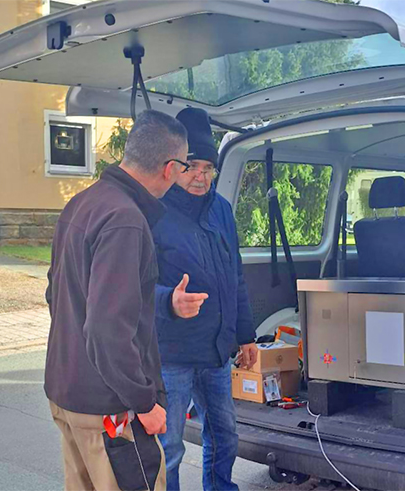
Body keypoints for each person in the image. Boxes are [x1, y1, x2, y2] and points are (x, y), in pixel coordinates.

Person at [45, 110, 207, 491]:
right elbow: (106, 330)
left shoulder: (81, 204)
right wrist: (145, 404)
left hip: (68, 396)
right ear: (170, 168)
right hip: (112, 410)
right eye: (185, 166)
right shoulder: (126, 221)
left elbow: (56, 294)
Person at [152, 108, 258, 491]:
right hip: (172, 356)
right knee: (170, 447)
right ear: (174, 166)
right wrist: (169, 301)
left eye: (208, 168)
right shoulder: (153, 212)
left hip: (216, 352)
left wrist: (246, 336)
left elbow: (236, 277)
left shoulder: (222, 211)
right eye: (192, 166)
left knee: (226, 436)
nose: (200, 176)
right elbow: (131, 287)